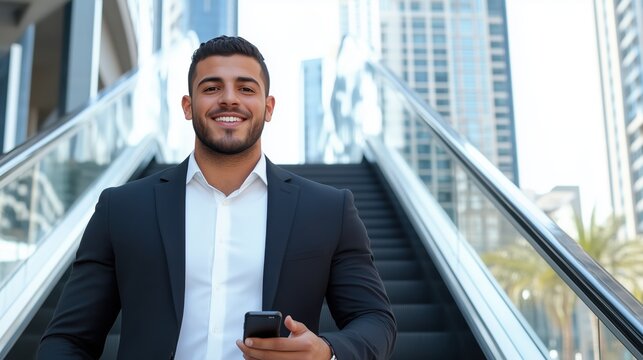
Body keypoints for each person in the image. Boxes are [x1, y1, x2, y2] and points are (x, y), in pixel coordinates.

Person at [38, 35, 396, 359]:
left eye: (246, 88)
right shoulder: (122, 208)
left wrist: (327, 352)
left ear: (268, 108)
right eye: (211, 88)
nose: (229, 98)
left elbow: (375, 319)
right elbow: (68, 340)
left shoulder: (328, 209)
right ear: (187, 106)